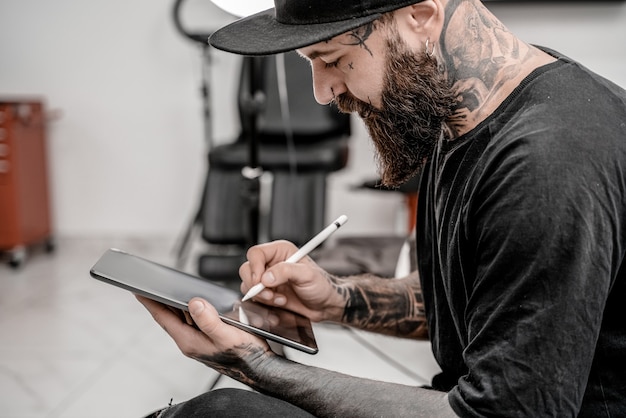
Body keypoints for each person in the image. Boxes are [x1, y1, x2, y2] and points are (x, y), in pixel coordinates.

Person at [137, 0, 626, 416]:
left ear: (419, 14)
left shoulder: (549, 159)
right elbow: (486, 299)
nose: (323, 92)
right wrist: (336, 298)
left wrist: (259, 367)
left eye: (332, 58)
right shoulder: (465, 115)